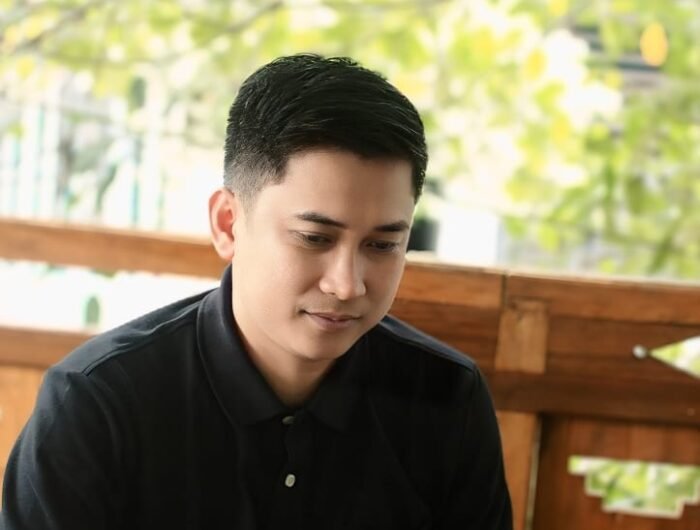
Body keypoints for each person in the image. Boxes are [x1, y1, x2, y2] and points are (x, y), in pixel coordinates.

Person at [0, 54, 512, 529]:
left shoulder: (447, 399)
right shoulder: (98, 404)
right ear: (228, 223)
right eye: (314, 238)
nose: (347, 284)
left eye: (382, 245)